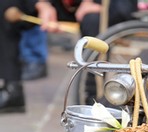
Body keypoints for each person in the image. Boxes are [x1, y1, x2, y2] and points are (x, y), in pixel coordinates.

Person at [0, 0, 138, 113]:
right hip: (68, 5)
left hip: (106, 5)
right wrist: (42, 4)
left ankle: (94, 100)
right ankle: (12, 90)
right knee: (7, 6)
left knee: (93, 20)